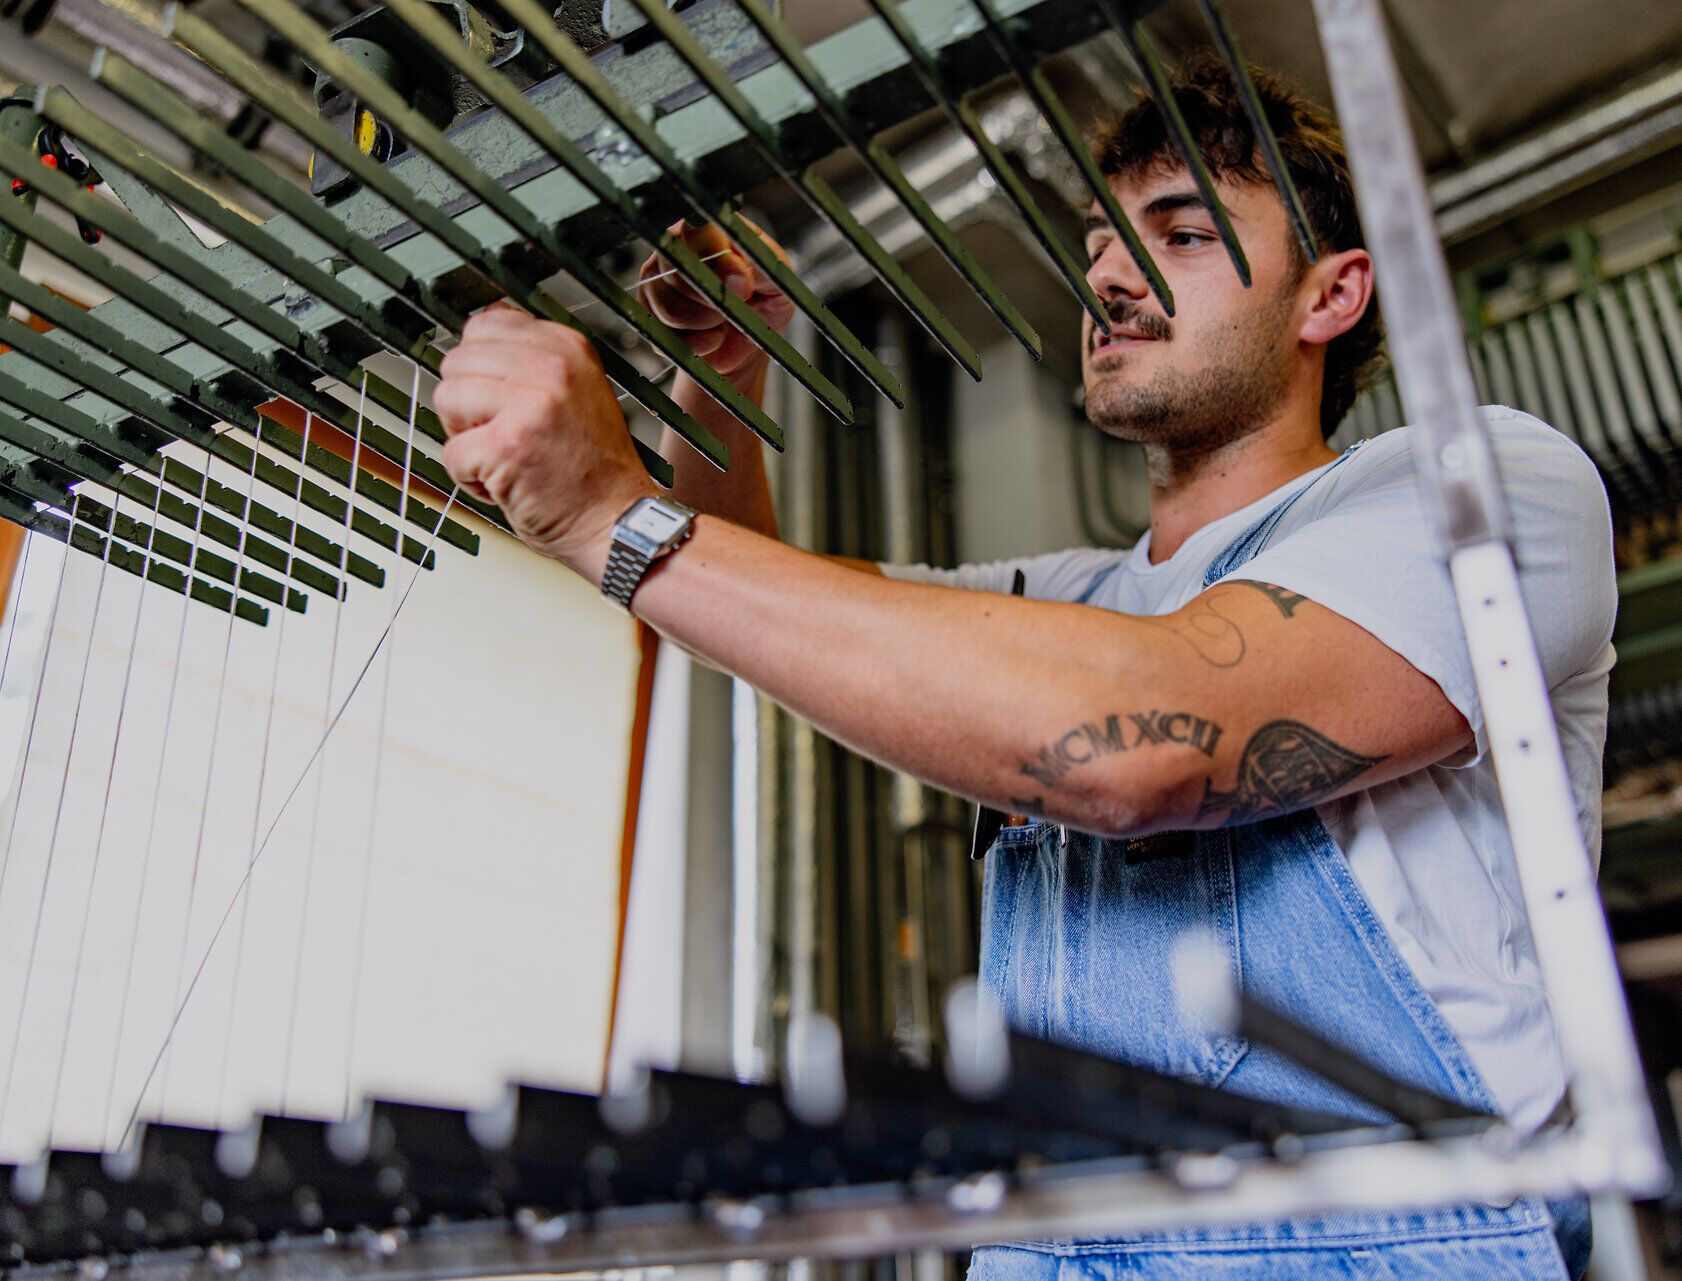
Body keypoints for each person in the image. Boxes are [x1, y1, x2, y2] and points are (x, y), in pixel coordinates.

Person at [433, 57, 1613, 1281]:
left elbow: (1155, 740)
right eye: (1102, 238)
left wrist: (610, 521)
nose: (1107, 274)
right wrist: (722, 386)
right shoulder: (1069, 604)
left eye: (1184, 233)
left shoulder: (1481, 486)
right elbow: (766, 606)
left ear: (1333, 295)